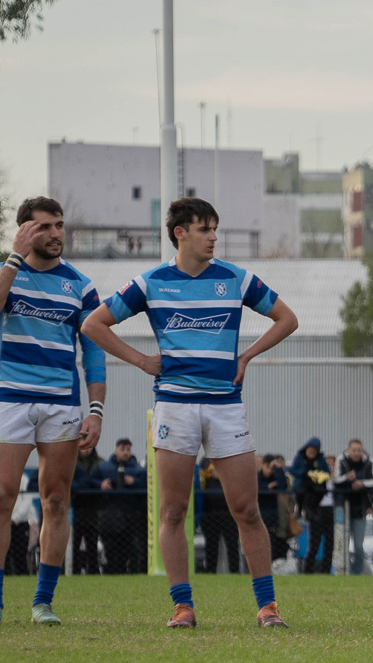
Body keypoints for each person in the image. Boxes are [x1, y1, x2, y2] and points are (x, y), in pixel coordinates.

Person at [83, 197, 299, 628]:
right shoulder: (151, 282)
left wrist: (247, 356)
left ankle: (268, 607)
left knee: (248, 510)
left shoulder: (237, 279)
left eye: (216, 229)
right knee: (173, 512)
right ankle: (183, 607)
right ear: (180, 233)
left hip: (225, 408)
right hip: (174, 407)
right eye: (205, 229)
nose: (214, 237)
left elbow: (287, 319)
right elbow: (93, 324)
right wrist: (142, 360)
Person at [0, 196, 107, 624]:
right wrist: (13, 257)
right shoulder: (1, 273)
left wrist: (96, 409)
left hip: (61, 404)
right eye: (44, 227)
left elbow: (94, 355)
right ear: (24, 230)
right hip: (10, 400)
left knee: (55, 500)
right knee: (2, 496)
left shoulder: (80, 286)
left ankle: (43, 602)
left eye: (59, 226)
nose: (55, 235)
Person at [94, 439, 147, 574]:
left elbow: (147, 486)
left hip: (132, 517)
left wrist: (134, 483)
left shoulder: (138, 471)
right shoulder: (104, 468)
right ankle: (112, 573)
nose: (126, 452)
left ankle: (134, 574)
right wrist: (100, 485)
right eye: (123, 449)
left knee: (133, 549)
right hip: (110, 518)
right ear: (116, 450)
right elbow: (90, 481)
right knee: (112, 550)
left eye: (128, 449)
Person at [290, 438, 335, 574]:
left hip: (327, 509)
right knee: (314, 542)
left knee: (330, 542)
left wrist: (321, 476)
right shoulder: (300, 458)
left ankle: (326, 571)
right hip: (314, 508)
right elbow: (294, 471)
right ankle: (307, 571)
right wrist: (307, 474)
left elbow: (326, 475)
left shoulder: (320, 462)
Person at [338, 439, 373, 575]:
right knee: (344, 544)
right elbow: (336, 479)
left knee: (359, 546)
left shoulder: (368, 462)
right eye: (354, 450)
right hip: (343, 509)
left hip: (360, 510)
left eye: (359, 450)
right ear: (349, 450)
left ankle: (357, 572)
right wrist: (347, 478)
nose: (356, 452)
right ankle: (346, 571)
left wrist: (362, 483)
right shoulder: (341, 461)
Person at [199, 457, 240, 573]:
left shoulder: (228, 458)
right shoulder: (205, 461)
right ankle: (210, 571)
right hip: (209, 512)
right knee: (211, 545)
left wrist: (222, 475)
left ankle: (235, 572)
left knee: (232, 544)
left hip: (228, 512)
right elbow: (200, 480)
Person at [71, 444, 104, 574]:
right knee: (76, 541)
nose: (87, 449)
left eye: (88, 446)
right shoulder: (73, 462)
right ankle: (75, 570)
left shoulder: (99, 462)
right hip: (78, 506)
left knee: (92, 541)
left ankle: (93, 570)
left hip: (94, 507)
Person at [257, 454, 292, 565]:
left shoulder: (275, 476)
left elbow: (283, 486)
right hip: (261, 515)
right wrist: (268, 487)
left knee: (277, 544)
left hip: (274, 516)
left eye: (271, 467)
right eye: (267, 466)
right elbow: (256, 488)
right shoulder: (257, 477)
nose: (268, 470)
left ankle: (278, 567)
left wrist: (277, 469)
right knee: (262, 546)